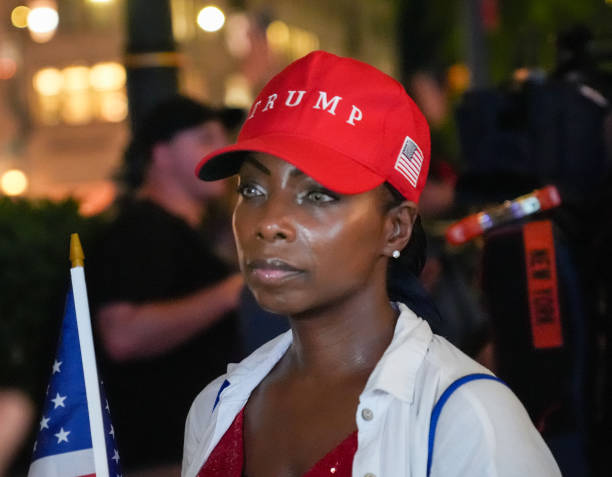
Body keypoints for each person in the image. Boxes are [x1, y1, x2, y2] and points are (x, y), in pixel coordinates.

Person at [182, 51, 561, 477]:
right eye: (251, 190)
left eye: (318, 195)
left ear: (395, 229)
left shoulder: (466, 416)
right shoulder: (214, 409)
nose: (269, 223)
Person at [88, 95, 244, 475]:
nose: (222, 149)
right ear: (161, 154)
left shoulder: (189, 233)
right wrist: (230, 295)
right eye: (206, 138)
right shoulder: (141, 231)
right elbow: (122, 334)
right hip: (158, 459)